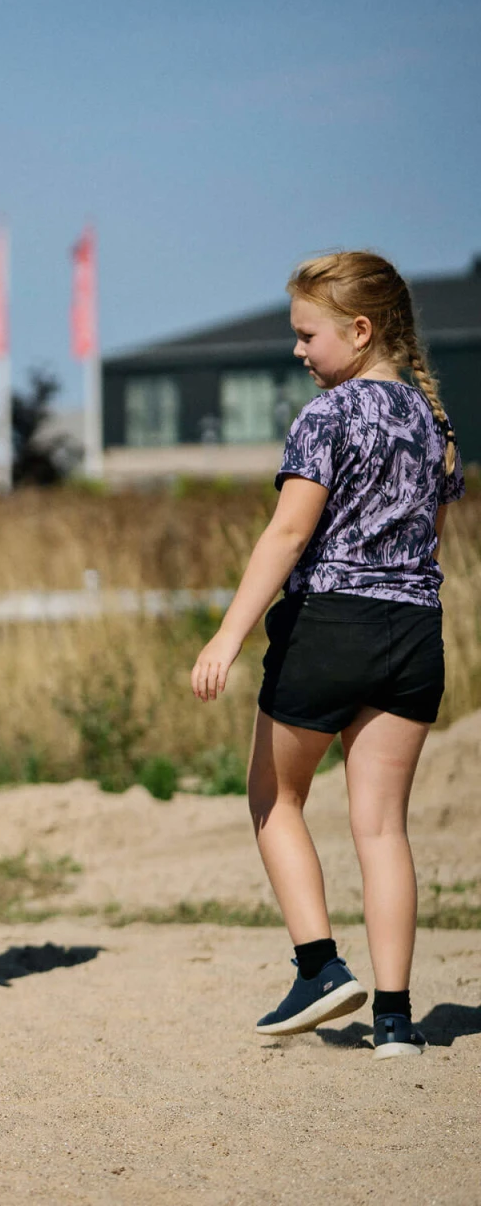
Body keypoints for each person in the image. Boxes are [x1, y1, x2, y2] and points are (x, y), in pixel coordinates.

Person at [192, 251, 462, 1059]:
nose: (300, 352)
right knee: (383, 830)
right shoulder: (433, 423)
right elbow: (434, 541)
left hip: (328, 627)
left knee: (275, 799)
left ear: (360, 329)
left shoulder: (328, 417)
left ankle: (318, 967)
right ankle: (394, 1022)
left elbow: (288, 531)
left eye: (308, 335)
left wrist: (229, 633)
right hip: (414, 634)